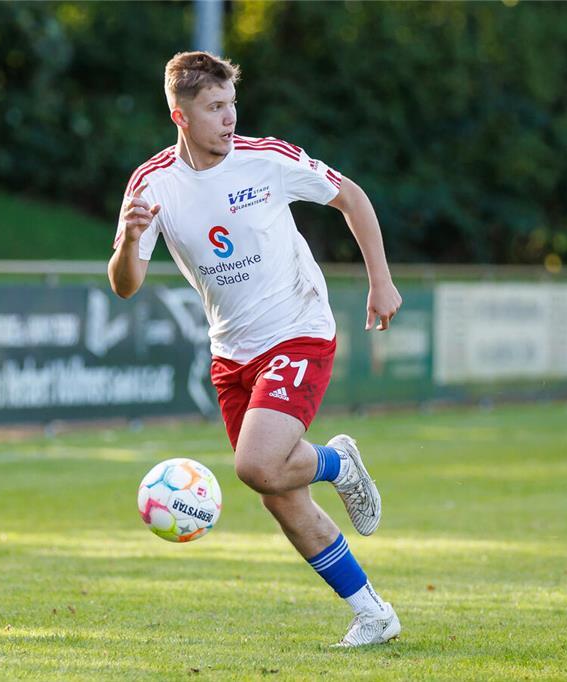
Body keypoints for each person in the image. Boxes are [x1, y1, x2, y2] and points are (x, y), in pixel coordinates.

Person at [108, 52, 403, 647]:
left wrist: (381, 280)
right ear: (180, 116)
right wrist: (130, 240)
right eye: (214, 108)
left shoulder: (267, 158)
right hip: (231, 352)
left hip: (299, 327)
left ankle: (339, 464)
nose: (229, 118)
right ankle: (374, 613)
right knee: (278, 496)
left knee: (256, 466)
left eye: (231, 104)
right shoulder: (151, 184)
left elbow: (352, 198)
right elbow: (125, 284)